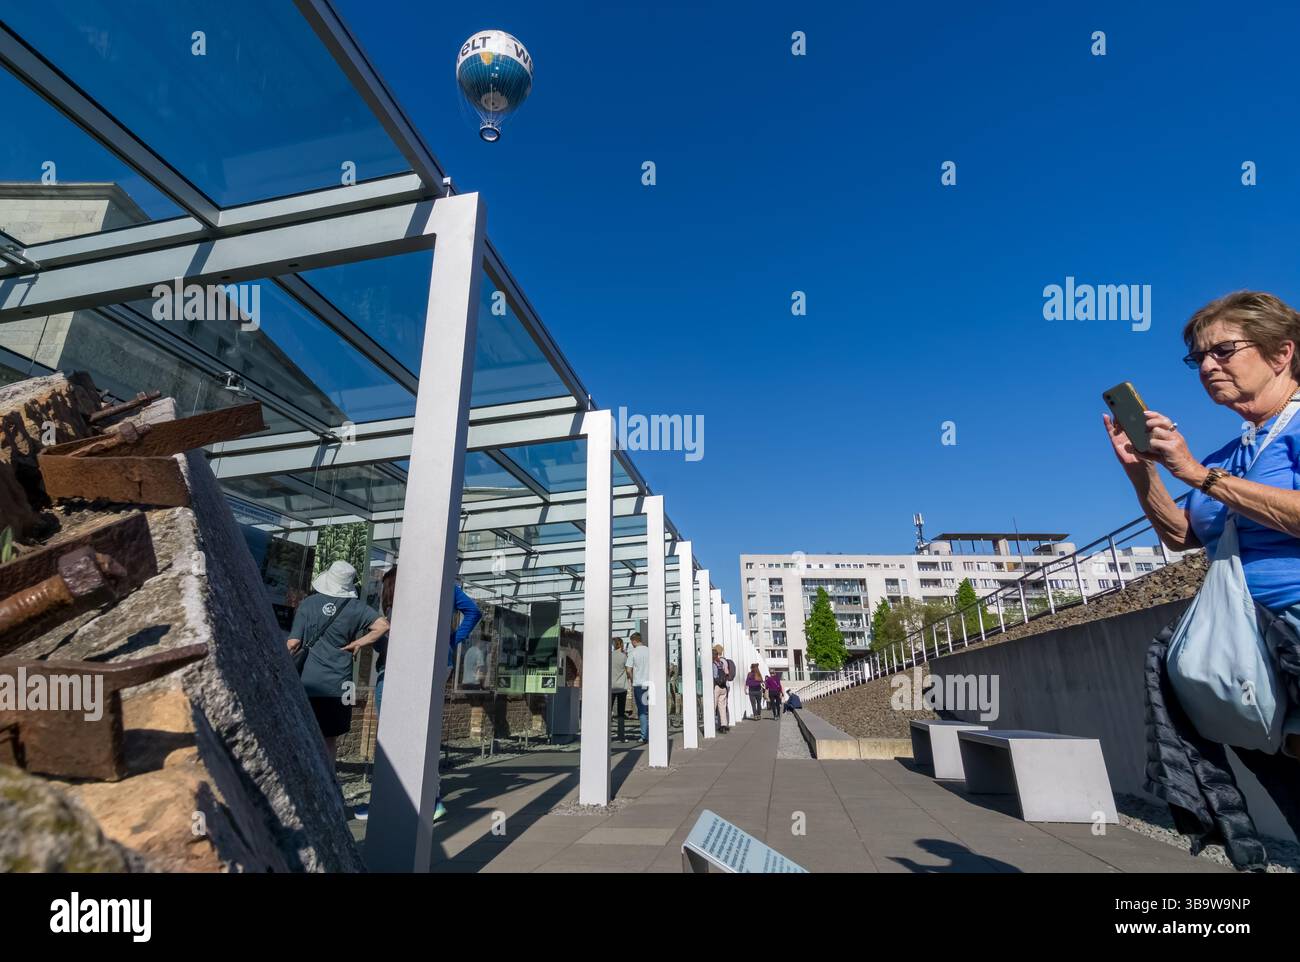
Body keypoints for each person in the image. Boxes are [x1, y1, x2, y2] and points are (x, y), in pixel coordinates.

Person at [1105, 290, 1300, 862]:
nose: (1208, 367)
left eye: (1223, 351)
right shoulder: (1233, 450)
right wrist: (1144, 474)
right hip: (1249, 652)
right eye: (1198, 359)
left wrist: (1197, 472)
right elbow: (1184, 535)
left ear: (1281, 351)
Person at [368, 565, 481, 823]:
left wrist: (451, 639)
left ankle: (407, 797)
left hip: (411, 663)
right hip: (442, 661)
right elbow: (473, 611)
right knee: (421, 728)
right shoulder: (445, 588)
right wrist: (452, 639)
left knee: (397, 728)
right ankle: (430, 797)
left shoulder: (402, 594)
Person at [288, 560, 389, 763]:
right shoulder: (357, 608)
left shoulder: (308, 604)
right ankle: (330, 780)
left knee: (304, 732)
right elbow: (383, 626)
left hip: (308, 682)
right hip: (343, 684)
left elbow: (293, 643)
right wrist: (358, 643)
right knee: (330, 738)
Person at [626, 632, 651, 744]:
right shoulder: (649, 650)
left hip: (639, 685)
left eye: (631, 642)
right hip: (651, 684)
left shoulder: (633, 652)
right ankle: (655, 732)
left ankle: (644, 736)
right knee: (652, 709)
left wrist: (632, 679)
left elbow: (628, 669)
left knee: (642, 711)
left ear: (634, 641)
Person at [610, 637, 629, 742]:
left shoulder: (609, 656)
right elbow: (628, 669)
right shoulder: (623, 657)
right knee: (621, 712)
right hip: (621, 686)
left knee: (608, 710)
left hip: (611, 687)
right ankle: (621, 735)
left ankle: (607, 733)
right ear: (621, 644)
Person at [712, 644, 733, 733]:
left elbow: (714, 675)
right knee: (722, 707)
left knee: (713, 706)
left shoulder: (713, 663)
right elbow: (727, 673)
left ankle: (711, 725)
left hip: (716, 687)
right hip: (724, 687)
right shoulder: (722, 662)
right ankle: (724, 725)